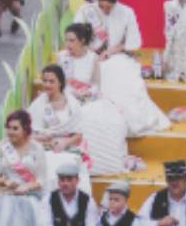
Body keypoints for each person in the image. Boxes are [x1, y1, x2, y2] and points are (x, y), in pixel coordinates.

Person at [73, 0, 170, 137]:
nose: (105, 10)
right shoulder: (86, 11)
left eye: (109, 7)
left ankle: (124, 123)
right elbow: (75, 37)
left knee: (121, 80)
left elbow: (133, 43)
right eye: (102, 6)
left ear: (115, 3)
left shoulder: (126, 12)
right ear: (98, 1)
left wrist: (110, 51)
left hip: (116, 56)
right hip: (89, 55)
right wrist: (90, 53)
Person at [55, 23, 130, 176]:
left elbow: (96, 85)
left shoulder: (92, 58)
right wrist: (70, 94)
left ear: (82, 41)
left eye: (72, 40)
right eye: (66, 40)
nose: (68, 44)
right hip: (66, 98)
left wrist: (87, 93)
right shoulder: (62, 57)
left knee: (99, 119)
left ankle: (95, 164)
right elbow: (58, 82)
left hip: (88, 99)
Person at [28, 63, 92, 193]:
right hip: (43, 148)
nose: (47, 85)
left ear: (60, 83)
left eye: (51, 81)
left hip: (67, 148)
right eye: (44, 81)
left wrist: (64, 143)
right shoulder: (38, 104)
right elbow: (28, 134)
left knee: (65, 166)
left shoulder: (72, 105)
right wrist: (43, 139)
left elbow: (78, 136)